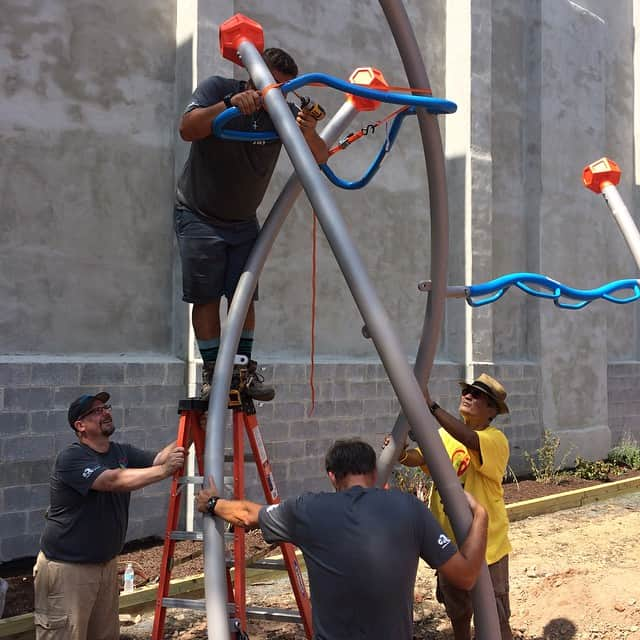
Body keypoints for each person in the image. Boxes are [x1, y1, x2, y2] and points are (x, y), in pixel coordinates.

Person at [196, 438, 488, 639]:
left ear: (332, 476)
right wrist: (482, 519)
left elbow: (247, 514)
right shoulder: (409, 508)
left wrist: (212, 504)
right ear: (374, 473)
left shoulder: (307, 510)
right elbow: (465, 577)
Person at [175, 47, 329, 401]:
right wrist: (230, 104)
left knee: (243, 298)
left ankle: (242, 370)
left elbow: (319, 158)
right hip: (199, 214)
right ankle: (214, 372)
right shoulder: (218, 88)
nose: (279, 93)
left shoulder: (283, 113)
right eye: (272, 84)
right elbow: (188, 128)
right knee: (207, 296)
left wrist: (307, 131)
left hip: (242, 221)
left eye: (286, 88)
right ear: (252, 76)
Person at [33, 392, 185, 640]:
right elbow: (111, 480)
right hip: (68, 569)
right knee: (65, 635)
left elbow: (160, 459)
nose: (105, 412)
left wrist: (191, 427)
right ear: (80, 426)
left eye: (106, 407)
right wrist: (164, 471)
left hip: (105, 565)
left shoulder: (120, 452)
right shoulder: (72, 457)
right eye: (96, 411)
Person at [395, 373, 513, 640]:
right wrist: (402, 453)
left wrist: (432, 406)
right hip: (449, 544)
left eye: (478, 395)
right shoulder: (445, 435)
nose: (468, 395)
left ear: (492, 410)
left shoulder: (494, 440)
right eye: (467, 391)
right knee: (458, 612)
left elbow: (471, 440)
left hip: (487, 546)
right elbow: (421, 458)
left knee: (494, 613)